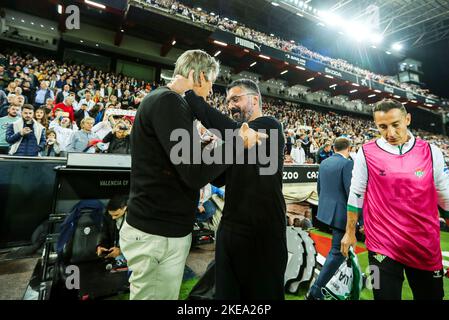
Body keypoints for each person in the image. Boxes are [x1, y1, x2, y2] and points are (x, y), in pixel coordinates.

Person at [119, 50, 263, 300]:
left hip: (159, 228)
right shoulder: (169, 101)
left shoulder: (166, 101)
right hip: (158, 232)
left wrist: (212, 150)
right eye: (210, 83)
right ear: (198, 76)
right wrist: (237, 142)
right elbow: (194, 173)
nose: (209, 92)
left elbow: (197, 168)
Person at [169, 76, 287, 300]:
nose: (231, 105)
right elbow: (218, 178)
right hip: (231, 227)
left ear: (254, 99)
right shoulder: (237, 140)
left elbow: (230, 128)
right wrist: (206, 150)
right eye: (228, 101)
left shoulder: (269, 126)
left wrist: (190, 94)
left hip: (264, 230)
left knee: (263, 295)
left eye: (236, 99)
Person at [341, 99, 449, 300]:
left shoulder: (431, 151)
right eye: (382, 127)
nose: (389, 133)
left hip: (424, 244)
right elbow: (356, 193)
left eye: (395, 124)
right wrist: (349, 233)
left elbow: (444, 196)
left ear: (407, 119)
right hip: (382, 245)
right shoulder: (366, 152)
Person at [307, 137, 353, 300]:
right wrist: (358, 220)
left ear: (333, 148)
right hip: (341, 214)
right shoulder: (347, 164)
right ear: (348, 148)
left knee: (341, 252)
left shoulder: (325, 163)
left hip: (326, 212)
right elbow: (350, 193)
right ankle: (316, 289)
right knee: (338, 252)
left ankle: (337, 283)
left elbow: (319, 188)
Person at [97, 195, 128, 262]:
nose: (113, 218)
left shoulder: (135, 218)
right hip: (114, 255)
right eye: (111, 215)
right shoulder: (107, 214)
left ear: (125, 208)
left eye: (116, 215)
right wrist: (101, 246)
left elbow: (139, 242)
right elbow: (105, 233)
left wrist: (121, 251)